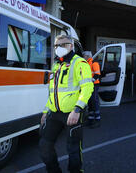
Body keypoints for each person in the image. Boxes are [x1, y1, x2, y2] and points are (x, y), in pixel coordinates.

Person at [39, 35, 93, 173]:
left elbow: (87, 88)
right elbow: (52, 91)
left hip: (72, 113)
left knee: (73, 149)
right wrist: (46, 111)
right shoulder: (56, 65)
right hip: (54, 113)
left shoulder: (80, 63)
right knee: (44, 146)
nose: (58, 48)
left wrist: (77, 110)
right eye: (56, 46)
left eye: (63, 45)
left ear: (71, 46)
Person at [85, 51, 101, 128]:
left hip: (94, 85)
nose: (83, 57)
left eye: (84, 56)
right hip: (89, 85)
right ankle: (90, 119)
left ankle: (97, 120)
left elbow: (97, 74)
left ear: (87, 56)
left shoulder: (94, 63)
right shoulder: (86, 63)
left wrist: (90, 81)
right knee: (90, 101)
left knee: (94, 101)